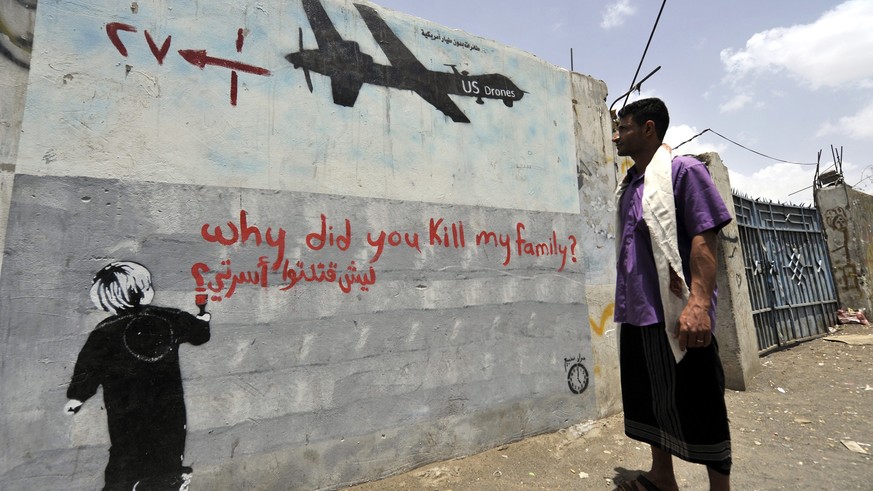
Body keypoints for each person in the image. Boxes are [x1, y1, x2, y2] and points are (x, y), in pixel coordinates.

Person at [612, 98, 733, 491]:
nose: (616, 135)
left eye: (624, 128)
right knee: (651, 400)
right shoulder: (630, 184)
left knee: (701, 403)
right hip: (637, 312)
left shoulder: (684, 171)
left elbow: (704, 238)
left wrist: (698, 303)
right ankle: (662, 476)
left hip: (678, 312)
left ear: (649, 129)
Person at [65, 261, 211, 490]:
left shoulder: (105, 330)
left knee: (124, 458)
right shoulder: (169, 318)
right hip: (168, 412)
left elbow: (89, 366)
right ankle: (168, 484)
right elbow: (199, 335)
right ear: (145, 292)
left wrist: (78, 396)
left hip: (125, 413)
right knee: (167, 457)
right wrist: (204, 320)